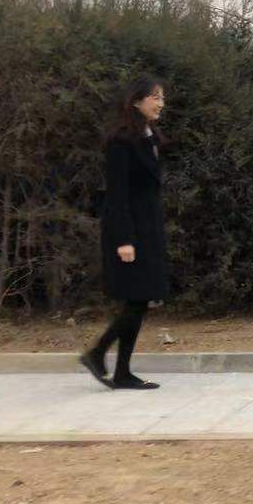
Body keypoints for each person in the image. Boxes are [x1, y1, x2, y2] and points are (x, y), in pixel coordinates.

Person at [79, 76, 171, 392]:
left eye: (162, 98)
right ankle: (99, 354)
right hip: (130, 234)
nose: (161, 103)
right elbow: (116, 196)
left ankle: (119, 371)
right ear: (136, 101)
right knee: (136, 301)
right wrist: (124, 240)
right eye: (155, 97)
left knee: (139, 301)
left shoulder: (149, 137)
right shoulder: (121, 142)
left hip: (149, 230)